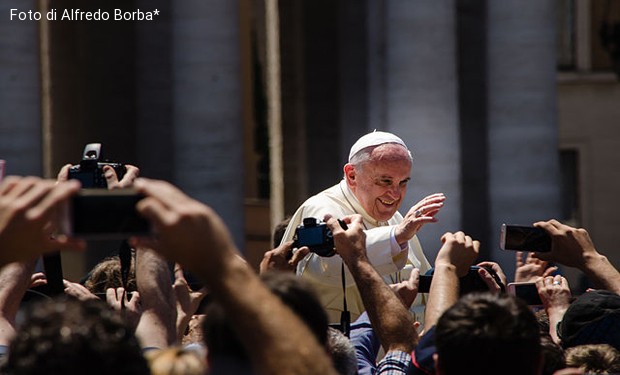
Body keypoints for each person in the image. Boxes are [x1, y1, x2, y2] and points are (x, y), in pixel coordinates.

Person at [280, 131, 446, 322]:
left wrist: (451, 273)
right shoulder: (322, 209)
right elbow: (326, 268)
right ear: (352, 175)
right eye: (385, 181)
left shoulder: (396, 219)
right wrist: (395, 237)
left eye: (403, 183)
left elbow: (423, 286)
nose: (395, 194)